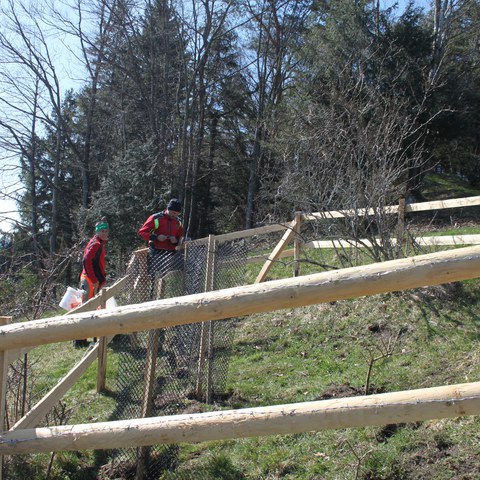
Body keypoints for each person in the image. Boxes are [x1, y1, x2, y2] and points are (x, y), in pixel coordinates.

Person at [138, 198, 184, 297]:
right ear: (168, 209)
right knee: (155, 278)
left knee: (170, 278)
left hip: (171, 254)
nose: (175, 215)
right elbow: (142, 232)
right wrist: (157, 237)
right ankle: (152, 298)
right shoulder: (155, 218)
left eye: (177, 214)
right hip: (156, 252)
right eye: (173, 212)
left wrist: (176, 241)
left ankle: (169, 297)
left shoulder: (178, 222)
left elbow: (180, 237)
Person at [74, 220, 109, 347]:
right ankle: (79, 341)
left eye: (106, 231)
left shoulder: (97, 242)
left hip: (89, 279)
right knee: (86, 309)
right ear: (97, 232)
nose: (105, 233)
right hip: (89, 280)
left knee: (89, 308)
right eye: (102, 231)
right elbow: (86, 260)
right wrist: (94, 280)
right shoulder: (96, 244)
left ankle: (84, 339)